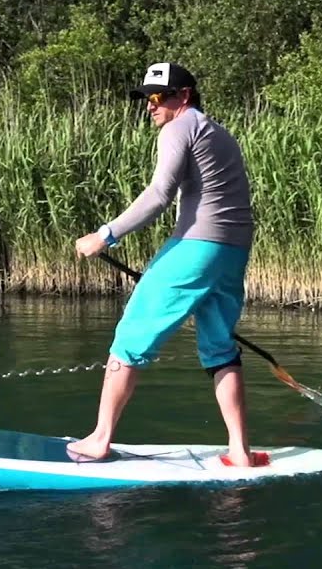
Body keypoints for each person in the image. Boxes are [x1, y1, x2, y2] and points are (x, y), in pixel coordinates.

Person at [71, 61, 263, 467]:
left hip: (196, 248)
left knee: (130, 336)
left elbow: (159, 194)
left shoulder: (179, 128)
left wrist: (104, 235)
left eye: (157, 97)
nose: (150, 106)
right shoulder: (220, 133)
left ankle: (100, 440)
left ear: (184, 96)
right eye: (146, 98)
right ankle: (240, 451)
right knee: (219, 347)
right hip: (233, 252)